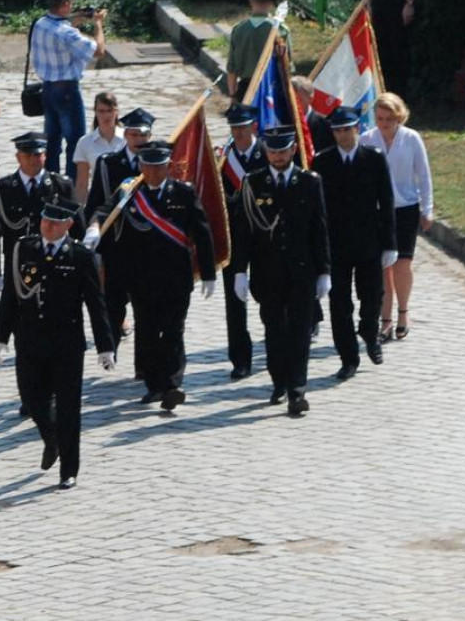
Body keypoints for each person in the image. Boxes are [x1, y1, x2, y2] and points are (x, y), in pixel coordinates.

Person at [0, 199, 114, 490]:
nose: (47, 226)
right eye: (45, 220)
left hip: (67, 343)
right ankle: (52, 439)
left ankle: (69, 469)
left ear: (68, 225)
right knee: (32, 398)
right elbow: (10, 295)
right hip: (30, 340)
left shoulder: (81, 256)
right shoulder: (24, 249)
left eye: (55, 223)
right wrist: (0, 336)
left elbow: (95, 304)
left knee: (69, 407)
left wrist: (105, 345)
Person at [88, 141, 216, 411]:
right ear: (141, 166)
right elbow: (104, 211)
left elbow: (202, 233)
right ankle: (154, 387)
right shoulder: (129, 192)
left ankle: (172, 385)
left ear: (168, 167)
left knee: (173, 331)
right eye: (149, 166)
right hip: (141, 278)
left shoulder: (183, 193)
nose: (155, 172)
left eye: (160, 167)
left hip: (176, 277)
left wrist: (207, 273)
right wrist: (95, 228)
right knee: (147, 332)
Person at [230, 126, 330, 417]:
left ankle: (297, 390)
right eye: (272, 151)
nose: (277, 156)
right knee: (274, 331)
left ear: (293, 150)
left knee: (300, 331)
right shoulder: (253, 183)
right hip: (267, 272)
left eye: (282, 150)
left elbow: (319, 228)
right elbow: (244, 232)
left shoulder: (310, 182)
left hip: (301, 270)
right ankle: (279, 380)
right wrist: (240, 271)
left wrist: (324, 270)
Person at [312, 108, 397, 380]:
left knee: (372, 296)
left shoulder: (373, 158)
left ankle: (370, 333)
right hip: (336, 245)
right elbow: (318, 210)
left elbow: (386, 201)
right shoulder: (322, 162)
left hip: (368, 241)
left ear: (357, 129)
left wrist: (390, 244)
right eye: (337, 130)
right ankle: (348, 358)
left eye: (347, 129)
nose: (342, 135)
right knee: (339, 304)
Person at [360, 92, 433, 342]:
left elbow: (423, 175)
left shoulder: (411, 138)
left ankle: (403, 313)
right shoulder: (367, 139)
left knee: (403, 264)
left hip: (406, 208)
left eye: (389, 118)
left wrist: (427, 209)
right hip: (378, 211)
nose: (384, 123)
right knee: (384, 267)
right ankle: (386, 320)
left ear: (398, 117)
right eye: (380, 118)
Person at [82, 107, 155, 353]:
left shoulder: (156, 163)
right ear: (126, 136)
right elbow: (97, 202)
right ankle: (108, 352)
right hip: (117, 245)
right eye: (133, 135)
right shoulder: (109, 163)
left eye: (143, 136)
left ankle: (144, 365)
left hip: (147, 247)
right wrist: (92, 231)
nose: (139, 141)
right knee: (113, 304)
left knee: (146, 309)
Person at [0, 132, 85, 295]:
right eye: (27, 155)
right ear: (18, 157)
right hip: (17, 264)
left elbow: (78, 229)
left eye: (37, 155)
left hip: (55, 263)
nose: (33, 159)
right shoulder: (3, 189)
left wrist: (80, 263)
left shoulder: (61, 186)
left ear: (45, 156)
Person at [31, 0, 106, 179]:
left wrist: (77, 19)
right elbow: (98, 51)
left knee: (52, 142)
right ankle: (73, 185)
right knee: (76, 142)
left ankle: (51, 182)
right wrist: (98, 23)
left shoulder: (39, 24)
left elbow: (60, 28)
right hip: (67, 91)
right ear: (65, 4)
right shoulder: (67, 33)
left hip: (47, 89)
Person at [217, 104, 267, 380]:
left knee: (268, 296)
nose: (238, 132)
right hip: (234, 239)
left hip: (263, 237)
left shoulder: (268, 153)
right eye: (234, 128)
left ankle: (275, 345)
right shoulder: (224, 159)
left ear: (253, 127)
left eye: (243, 127)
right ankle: (240, 358)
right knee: (234, 302)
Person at [226, 0, 290, 102]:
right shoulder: (280, 30)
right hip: (272, 90)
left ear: (251, 0)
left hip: (245, 89)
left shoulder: (238, 29)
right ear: (271, 3)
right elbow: (287, 66)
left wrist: (233, 95)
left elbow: (232, 68)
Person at [72, 91, 125, 202]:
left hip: (126, 197)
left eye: (110, 111)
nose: (106, 116)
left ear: (116, 112)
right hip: (99, 198)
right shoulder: (84, 142)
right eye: (101, 111)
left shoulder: (128, 139)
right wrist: (80, 214)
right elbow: (82, 184)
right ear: (95, 112)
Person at [291, 75, 334, 155]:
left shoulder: (325, 125)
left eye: (298, 100)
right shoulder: (283, 122)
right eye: (291, 100)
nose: (294, 105)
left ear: (310, 99)